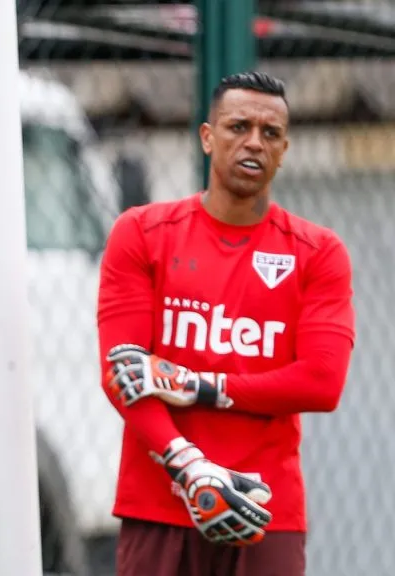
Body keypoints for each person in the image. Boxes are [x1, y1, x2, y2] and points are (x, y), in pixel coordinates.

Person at [97, 71, 355, 576]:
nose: (254, 142)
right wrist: (190, 468)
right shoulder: (140, 234)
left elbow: (322, 382)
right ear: (207, 137)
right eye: (238, 126)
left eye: (270, 132)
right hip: (160, 504)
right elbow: (122, 376)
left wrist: (198, 385)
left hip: (263, 511)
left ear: (284, 149)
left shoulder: (319, 253)